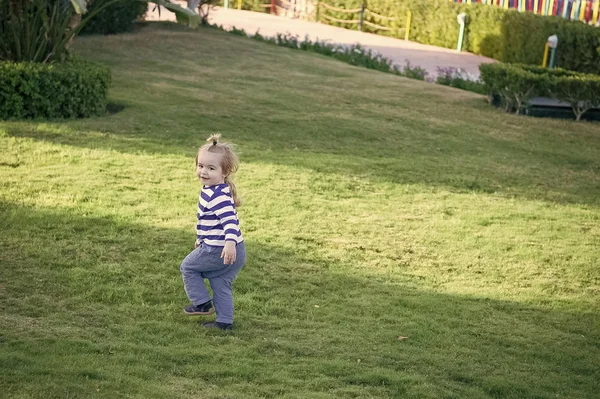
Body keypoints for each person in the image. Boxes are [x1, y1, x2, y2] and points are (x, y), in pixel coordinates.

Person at [180, 134, 245, 331]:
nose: (204, 172)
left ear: (224, 172)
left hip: (221, 249)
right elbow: (208, 222)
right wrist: (201, 238)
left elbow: (230, 222)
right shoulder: (214, 189)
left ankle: (202, 303)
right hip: (235, 250)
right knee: (220, 282)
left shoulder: (218, 196)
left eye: (211, 168)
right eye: (200, 166)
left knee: (188, 267)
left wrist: (229, 243)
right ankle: (224, 323)